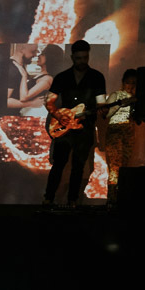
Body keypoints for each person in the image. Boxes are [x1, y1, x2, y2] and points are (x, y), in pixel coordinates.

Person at [42, 40, 107, 207]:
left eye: (85, 57)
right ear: (72, 57)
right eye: (78, 58)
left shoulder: (97, 77)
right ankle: (48, 198)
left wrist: (102, 110)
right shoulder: (62, 77)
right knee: (58, 165)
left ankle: (72, 201)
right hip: (64, 128)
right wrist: (58, 115)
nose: (82, 61)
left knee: (79, 166)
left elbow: (101, 103)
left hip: (85, 128)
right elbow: (49, 101)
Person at [103, 69, 139, 206]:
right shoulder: (115, 95)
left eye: (133, 83)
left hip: (129, 131)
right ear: (123, 82)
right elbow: (105, 114)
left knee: (124, 167)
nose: (130, 86)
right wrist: (121, 103)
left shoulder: (137, 97)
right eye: (128, 82)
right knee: (115, 167)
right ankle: (111, 199)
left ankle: (121, 199)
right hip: (115, 130)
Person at [7, 44, 53, 117]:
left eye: (43, 54)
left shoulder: (47, 79)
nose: (37, 55)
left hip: (31, 112)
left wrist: (24, 76)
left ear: (50, 58)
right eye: (33, 51)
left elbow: (24, 97)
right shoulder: (16, 68)